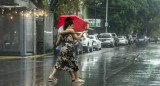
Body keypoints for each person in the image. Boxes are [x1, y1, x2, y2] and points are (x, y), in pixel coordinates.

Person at [49, 17, 75, 82]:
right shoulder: (62, 29)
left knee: (66, 62)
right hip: (61, 48)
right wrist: (69, 31)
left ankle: (73, 77)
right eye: (70, 23)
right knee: (61, 62)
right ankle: (52, 76)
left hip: (65, 49)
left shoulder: (68, 29)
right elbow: (60, 36)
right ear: (67, 23)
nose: (71, 25)